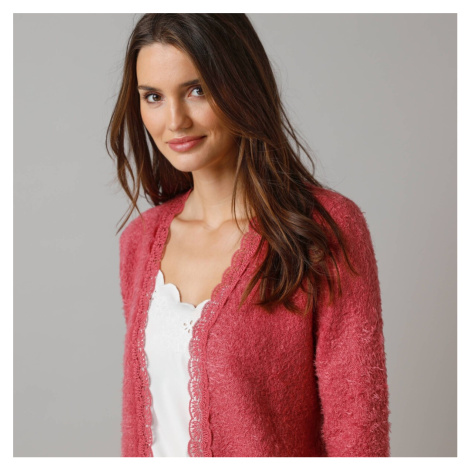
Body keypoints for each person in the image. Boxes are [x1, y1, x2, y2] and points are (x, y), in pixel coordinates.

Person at [107, 13, 391, 457]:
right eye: (154, 97)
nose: (175, 120)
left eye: (197, 90)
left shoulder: (322, 229)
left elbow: (358, 430)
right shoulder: (140, 243)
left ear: (240, 86)